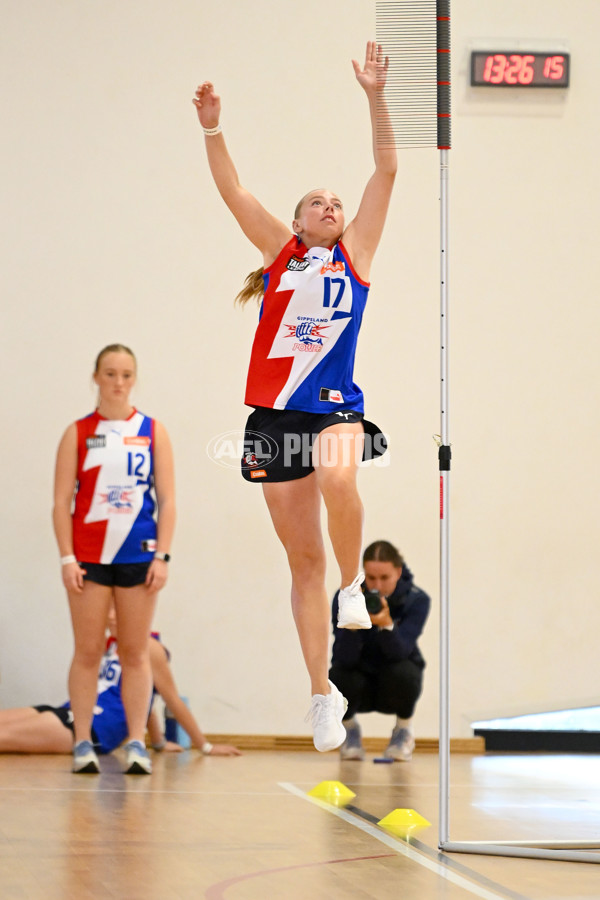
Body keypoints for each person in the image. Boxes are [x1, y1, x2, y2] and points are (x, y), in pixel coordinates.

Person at [193, 42, 397, 752]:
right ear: (299, 221)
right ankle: (321, 693)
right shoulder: (279, 254)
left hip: (336, 405)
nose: (333, 204)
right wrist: (214, 128)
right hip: (274, 416)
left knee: (340, 473)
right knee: (299, 562)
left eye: (336, 201)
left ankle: (353, 588)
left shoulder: (357, 256)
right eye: (319, 201)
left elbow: (386, 169)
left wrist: (374, 95)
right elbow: (232, 189)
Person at [53, 344, 176, 774]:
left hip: (138, 556)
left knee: (135, 652)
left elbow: (168, 500)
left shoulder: (153, 430)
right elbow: (60, 502)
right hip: (88, 557)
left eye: (125, 374)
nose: (118, 382)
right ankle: (83, 740)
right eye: (109, 374)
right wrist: (67, 558)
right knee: (88, 651)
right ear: (96, 377)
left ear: (134, 379)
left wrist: (162, 555)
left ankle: (137, 743)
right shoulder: (78, 432)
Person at [0, 607, 241, 763]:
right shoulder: (112, 645)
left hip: (97, 729)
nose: (113, 615)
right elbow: (142, 698)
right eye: (108, 609)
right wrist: (157, 741)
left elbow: (171, 699)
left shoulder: (150, 648)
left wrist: (205, 746)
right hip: (70, 711)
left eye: (118, 608)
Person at [329, 540, 430, 761]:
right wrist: (353, 627)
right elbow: (343, 659)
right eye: (371, 578)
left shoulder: (416, 600)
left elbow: (401, 652)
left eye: (385, 578)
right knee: (337, 676)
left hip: (392, 682)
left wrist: (386, 625)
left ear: (398, 572)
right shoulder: (345, 598)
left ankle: (403, 731)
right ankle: (349, 730)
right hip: (358, 679)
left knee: (407, 672)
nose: (377, 586)